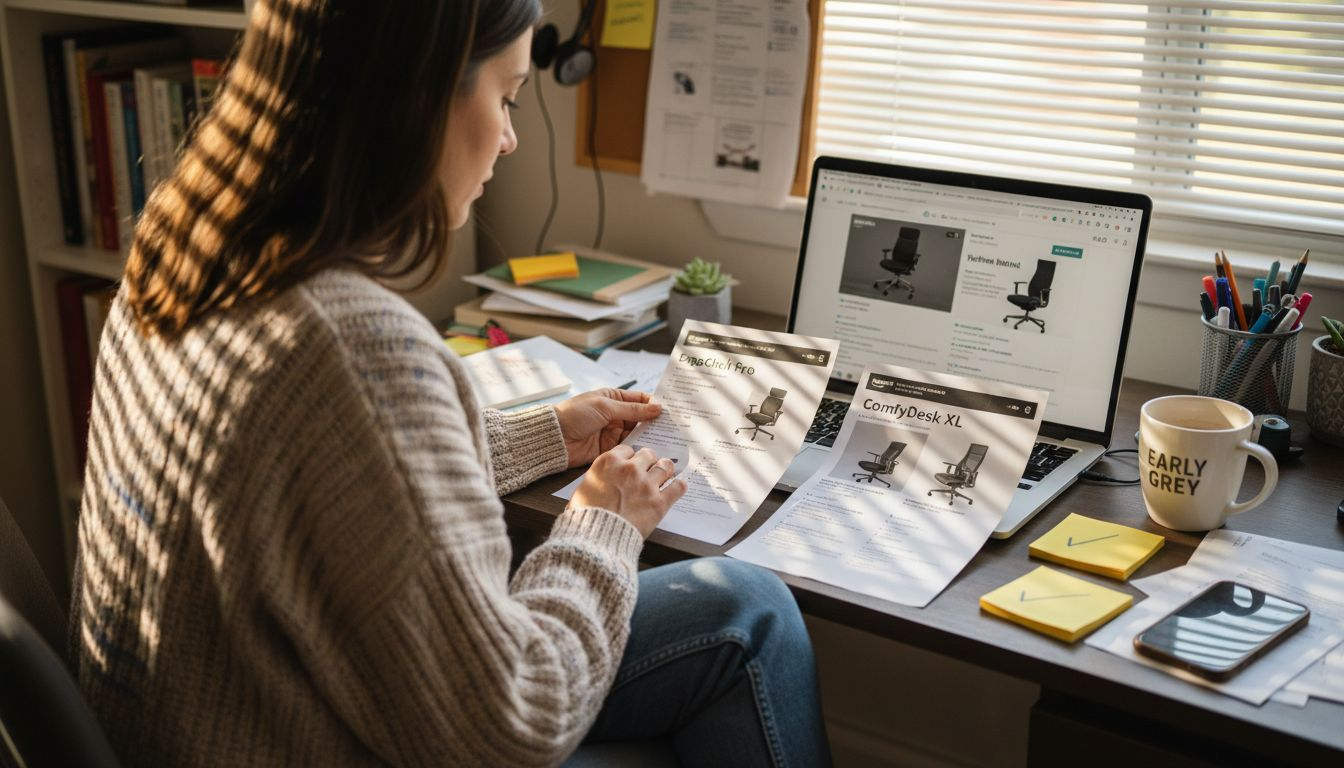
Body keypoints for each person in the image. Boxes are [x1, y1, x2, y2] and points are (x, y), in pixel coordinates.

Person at [69, 0, 832, 765]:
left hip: (199, 722)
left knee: (741, 601)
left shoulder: (183, 246)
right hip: (316, 735)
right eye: (505, 98)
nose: (509, 138)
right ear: (421, 98)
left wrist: (546, 434)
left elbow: (332, 492)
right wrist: (602, 525)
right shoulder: (353, 347)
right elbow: (510, 720)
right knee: (754, 613)